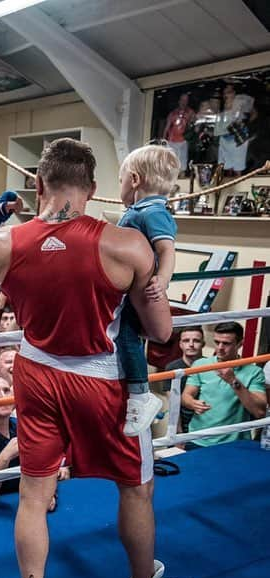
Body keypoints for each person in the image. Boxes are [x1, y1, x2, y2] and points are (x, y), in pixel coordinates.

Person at [0, 137, 193, 578]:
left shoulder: (5, 242)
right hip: (103, 379)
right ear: (94, 186)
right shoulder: (128, 245)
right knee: (136, 489)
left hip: (36, 372)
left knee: (34, 497)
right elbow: (161, 333)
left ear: (39, 183)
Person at [116, 143, 180, 436]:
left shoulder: (152, 211)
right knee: (126, 336)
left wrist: (163, 279)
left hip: (140, 289)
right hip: (131, 287)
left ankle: (140, 394)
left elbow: (166, 249)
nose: (119, 187)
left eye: (120, 180)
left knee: (127, 336)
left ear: (134, 179)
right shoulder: (140, 210)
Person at [182, 322, 266, 448]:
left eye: (226, 343)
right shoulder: (201, 364)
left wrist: (233, 381)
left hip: (234, 442)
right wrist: (192, 403)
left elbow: (259, 412)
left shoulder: (254, 372)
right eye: (217, 342)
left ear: (240, 344)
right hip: (198, 439)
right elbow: (186, 396)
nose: (220, 348)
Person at [158, 326, 205, 433]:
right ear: (180, 344)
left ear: (203, 344)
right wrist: (178, 433)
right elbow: (173, 404)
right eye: (186, 340)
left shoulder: (211, 365)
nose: (191, 344)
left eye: (196, 341)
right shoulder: (172, 368)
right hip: (183, 425)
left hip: (206, 424)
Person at [162, 92, 195, 171]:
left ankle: (182, 177)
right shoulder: (173, 113)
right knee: (171, 163)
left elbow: (195, 125)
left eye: (186, 100)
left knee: (182, 163)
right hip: (171, 141)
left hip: (183, 141)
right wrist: (163, 140)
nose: (184, 102)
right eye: (182, 100)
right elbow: (166, 128)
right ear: (179, 101)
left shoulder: (190, 112)